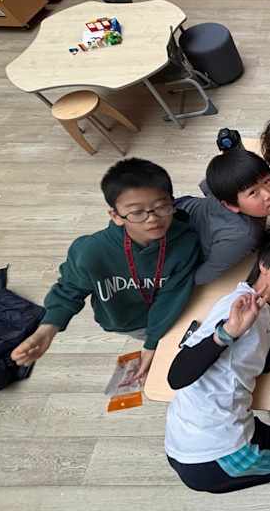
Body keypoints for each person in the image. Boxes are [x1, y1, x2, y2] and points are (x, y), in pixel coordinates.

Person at [11, 158, 200, 382]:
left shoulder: (185, 243)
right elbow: (69, 290)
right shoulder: (91, 251)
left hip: (173, 314)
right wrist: (47, 329)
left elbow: (170, 299)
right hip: (126, 322)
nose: (152, 218)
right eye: (137, 212)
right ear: (116, 216)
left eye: (161, 207)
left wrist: (152, 343)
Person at [164, 238, 270, 494]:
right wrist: (226, 332)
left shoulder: (262, 309)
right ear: (264, 265)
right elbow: (177, 376)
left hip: (192, 433)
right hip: (217, 453)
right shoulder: (237, 308)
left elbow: (264, 363)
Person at [176, 147, 270, 285]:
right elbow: (204, 274)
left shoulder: (225, 186)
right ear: (231, 206)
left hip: (182, 205)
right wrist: (178, 283)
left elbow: (205, 185)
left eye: (267, 181)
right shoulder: (244, 236)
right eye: (253, 192)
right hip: (179, 250)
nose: (268, 195)